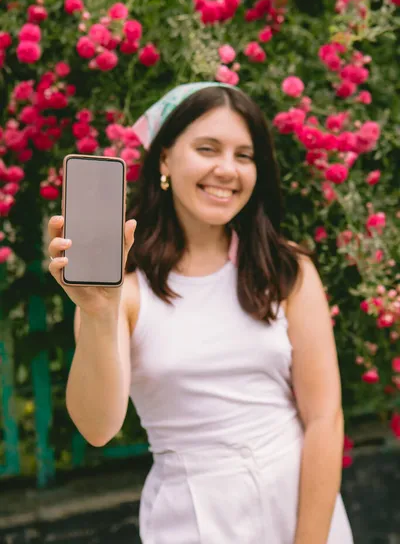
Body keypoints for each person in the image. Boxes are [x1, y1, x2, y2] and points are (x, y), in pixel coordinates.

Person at [48, 82, 354, 543]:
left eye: (244, 155)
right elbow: (97, 427)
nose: (226, 169)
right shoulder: (123, 292)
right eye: (207, 148)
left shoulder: (288, 271)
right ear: (166, 159)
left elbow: (324, 416)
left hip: (303, 508)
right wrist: (96, 312)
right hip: (193, 520)